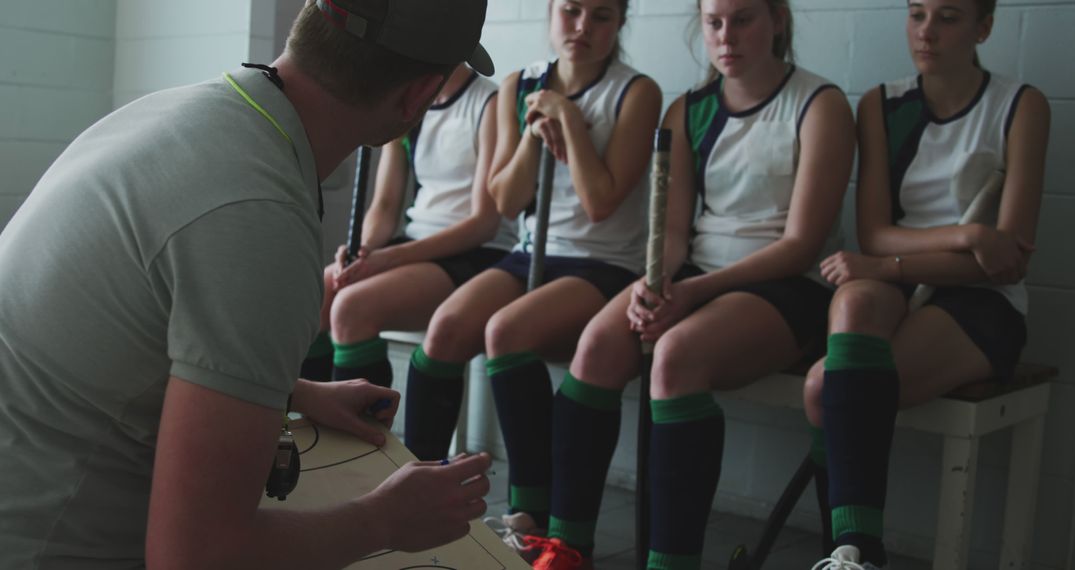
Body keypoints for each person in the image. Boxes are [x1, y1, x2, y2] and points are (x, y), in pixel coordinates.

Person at [0, 0, 498, 567]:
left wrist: (288, 392)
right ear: (418, 97)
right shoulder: (261, 219)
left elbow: (123, 339)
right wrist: (384, 519)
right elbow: (197, 556)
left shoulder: (182, 113)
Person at [527, 0, 857, 568]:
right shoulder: (688, 110)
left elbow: (801, 244)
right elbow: (674, 233)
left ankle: (671, 560)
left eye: (744, 19)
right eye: (713, 22)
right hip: (695, 277)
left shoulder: (820, 104)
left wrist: (690, 294)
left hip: (786, 285)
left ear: (777, 19)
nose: (726, 36)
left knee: (675, 355)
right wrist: (653, 283)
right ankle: (566, 546)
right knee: (598, 343)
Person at [403, 0, 661, 545]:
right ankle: (412, 487)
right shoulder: (519, 85)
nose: (583, 28)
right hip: (530, 251)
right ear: (551, 14)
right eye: (571, 11)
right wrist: (530, 132)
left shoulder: (637, 92)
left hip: (604, 261)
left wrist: (569, 120)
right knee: (447, 327)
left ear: (620, 24)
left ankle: (530, 511)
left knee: (504, 332)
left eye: (602, 16)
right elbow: (505, 197)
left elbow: (600, 204)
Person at [802, 0, 1050, 568]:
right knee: (854, 300)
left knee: (823, 390)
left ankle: (851, 553)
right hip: (899, 280)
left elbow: (1007, 262)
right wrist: (967, 236)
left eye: (949, 17)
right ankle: (851, 552)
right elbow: (874, 232)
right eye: (917, 14)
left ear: (983, 27)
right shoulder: (881, 105)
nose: (927, 32)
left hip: (982, 301)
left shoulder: (1022, 106)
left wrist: (897, 262)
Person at [299, 61, 516, 388]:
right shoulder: (409, 104)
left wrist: (389, 258)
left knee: (352, 308)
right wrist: (363, 247)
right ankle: (310, 431)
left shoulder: (491, 102)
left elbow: (484, 223)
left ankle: (363, 437)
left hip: (476, 252)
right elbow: (385, 206)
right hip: (414, 245)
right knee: (314, 296)